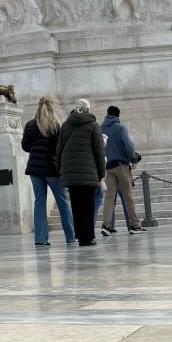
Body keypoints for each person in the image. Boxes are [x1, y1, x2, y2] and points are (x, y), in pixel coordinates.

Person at [21, 95, 75, 247]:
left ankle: (40, 239)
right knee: (62, 201)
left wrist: (36, 149)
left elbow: (25, 146)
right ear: (52, 106)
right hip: (51, 168)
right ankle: (70, 236)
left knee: (39, 202)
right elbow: (59, 149)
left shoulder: (30, 124)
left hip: (34, 168)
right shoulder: (56, 125)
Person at [56, 98, 105, 246]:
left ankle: (79, 235)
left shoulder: (65, 125)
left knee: (76, 205)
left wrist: (61, 169)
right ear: (88, 110)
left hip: (70, 173)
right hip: (88, 172)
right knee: (88, 205)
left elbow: (59, 150)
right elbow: (99, 151)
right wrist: (101, 173)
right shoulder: (93, 125)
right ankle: (88, 237)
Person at [99, 106, 143, 237]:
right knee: (128, 196)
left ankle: (106, 226)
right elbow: (129, 145)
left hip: (107, 167)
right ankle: (135, 225)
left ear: (107, 114)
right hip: (121, 166)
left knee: (109, 197)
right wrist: (134, 159)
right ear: (118, 115)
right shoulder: (120, 128)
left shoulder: (100, 128)